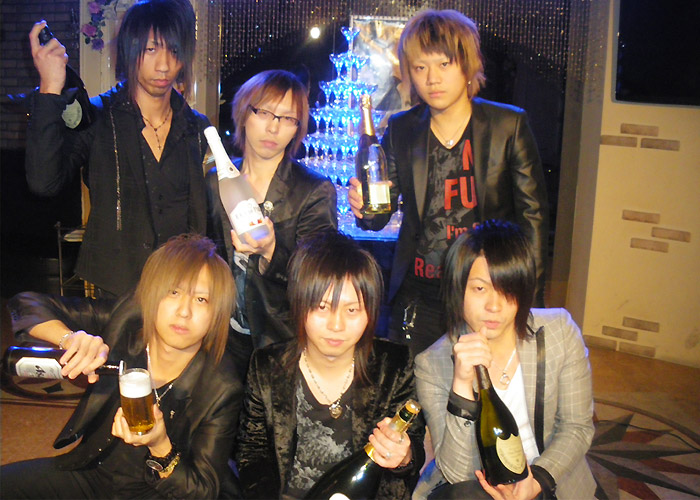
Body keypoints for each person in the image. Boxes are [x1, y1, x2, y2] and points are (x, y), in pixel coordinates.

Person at [348, 9, 549, 356]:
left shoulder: (507, 126)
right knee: (414, 384)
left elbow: (533, 221)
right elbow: (379, 215)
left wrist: (528, 300)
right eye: (420, 67)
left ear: (467, 65)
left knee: (481, 383)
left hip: (487, 292)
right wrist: (364, 210)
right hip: (419, 294)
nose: (432, 79)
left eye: (444, 64)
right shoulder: (402, 129)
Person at [1, 234, 243, 499]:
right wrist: (70, 338)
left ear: (217, 313)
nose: (184, 311)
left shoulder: (222, 387)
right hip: (95, 473)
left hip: (160, 492)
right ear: (151, 294)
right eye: (173, 292)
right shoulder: (124, 324)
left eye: (201, 299)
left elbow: (202, 490)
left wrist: (160, 446)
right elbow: (25, 304)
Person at [26, 0, 211, 297]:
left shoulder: (198, 129)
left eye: (174, 51)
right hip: (116, 292)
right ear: (130, 50)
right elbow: (43, 182)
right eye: (151, 49)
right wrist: (50, 88)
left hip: (182, 288)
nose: (164, 65)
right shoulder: (98, 117)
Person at [235, 231, 425, 499]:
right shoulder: (267, 366)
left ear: (370, 312)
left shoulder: (393, 365)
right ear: (299, 305)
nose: (337, 325)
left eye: (352, 310)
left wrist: (404, 457)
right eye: (322, 307)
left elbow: (413, 448)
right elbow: (252, 455)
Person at [413, 220, 595, 500]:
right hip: (479, 487)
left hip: (551, 480)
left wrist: (538, 480)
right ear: (458, 290)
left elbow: (577, 427)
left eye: (506, 288)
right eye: (480, 289)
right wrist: (461, 386)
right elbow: (457, 473)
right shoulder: (431, 364)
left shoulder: (558, 331)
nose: (494, 306)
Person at [206, 70, 337, 379]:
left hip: (282, 341)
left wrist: (271, 251)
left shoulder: (313, 189)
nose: (273, 127)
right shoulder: (215, 182)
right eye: (264, 112)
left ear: (297, 128)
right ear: (244, 113)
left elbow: (319, 278)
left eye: (287, 118)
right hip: (221, 340)